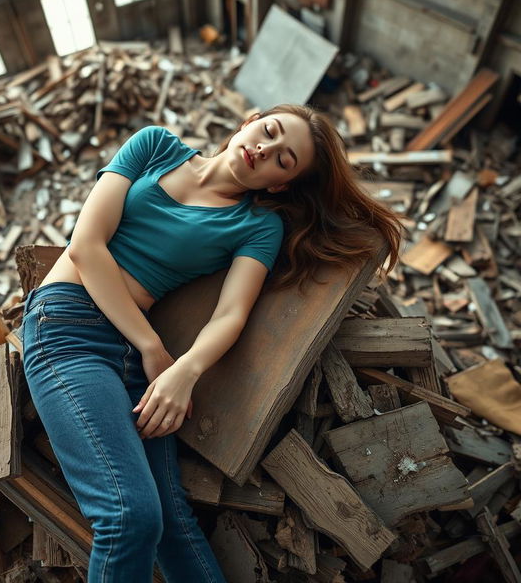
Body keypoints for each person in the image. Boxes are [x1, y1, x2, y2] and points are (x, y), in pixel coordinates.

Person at [21, 103, 402, 582]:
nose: (264, 150)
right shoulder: (154, 145)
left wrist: (185, 370)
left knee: (173, 525)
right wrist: (153, 348)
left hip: (138, 357)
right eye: (268, 131)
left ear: (280, 184)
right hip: (70, 328)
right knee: (129, 517)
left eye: (283, 160)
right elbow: (85, 246)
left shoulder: (259, 226)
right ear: (250, 121)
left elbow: (231, 314)